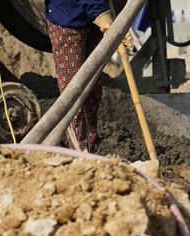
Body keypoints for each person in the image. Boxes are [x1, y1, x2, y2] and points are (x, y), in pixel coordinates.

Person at [44, 0, 132, 153]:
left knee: (93, 93)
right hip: (68, 20)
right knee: (73, 96)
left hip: (94, 23)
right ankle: (79, 153)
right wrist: (106, 21)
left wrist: (114, 22)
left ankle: (88, 150)